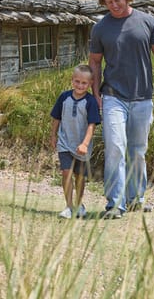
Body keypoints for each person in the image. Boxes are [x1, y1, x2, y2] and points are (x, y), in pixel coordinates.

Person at [89, 0, 154, 219]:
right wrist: (96, 95)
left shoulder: (147, 22)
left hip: (142, 97)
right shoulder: (101, 28)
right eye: (108, 2)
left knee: (137, 150)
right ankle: (115, 204)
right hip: (113, 96)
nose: (114, 5)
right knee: (115, 147)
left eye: (117, 0)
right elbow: (94, 62)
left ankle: (136, 198)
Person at [49, 64, 101, 219]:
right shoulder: (64, 97)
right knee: (66, 172)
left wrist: (85, 143)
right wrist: (53, 135)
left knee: (79, 176)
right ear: (72, 80)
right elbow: (56, 118)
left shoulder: (90, 102)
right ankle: (69, 206)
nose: (80, 85)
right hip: (65, 143)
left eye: (84, 83)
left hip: (82, 147)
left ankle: (79, 205)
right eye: (77, 81)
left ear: (90, 84)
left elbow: (92, 125)